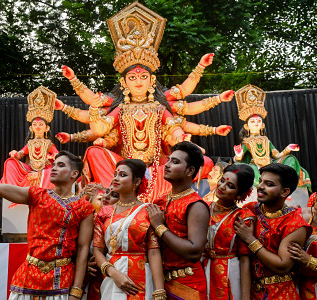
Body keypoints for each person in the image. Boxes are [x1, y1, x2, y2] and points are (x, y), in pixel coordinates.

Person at [57, 2, 234, 202]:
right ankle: (115, 194)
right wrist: (79, 89)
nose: (138, 82)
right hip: (124, 168)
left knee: (205, 162)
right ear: (124, 82)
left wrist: (182, 140)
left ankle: (148, 195)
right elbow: (102, 131)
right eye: (132, 78)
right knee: (94, 152)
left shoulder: (159, 107)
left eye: (143, 77)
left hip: (157, 169)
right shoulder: (120, 108)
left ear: (151, 81)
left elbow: (174, 129)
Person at [0, 130, 94, 300]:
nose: (54, 167)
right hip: (27, 277)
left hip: (61, 280)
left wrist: (76, 291)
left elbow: (83, 249)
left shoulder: (83, 207)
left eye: (61, 165)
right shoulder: (36, 195)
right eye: (54, 164)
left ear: (74, 174)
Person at [234, 163, 311, 300]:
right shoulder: (250, 209)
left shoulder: (295, 224)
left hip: (279, 293)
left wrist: (250, 240)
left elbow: (282, 265)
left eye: (269, 184)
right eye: (261, 181)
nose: (261, 187)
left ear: (284, 192)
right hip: (247, 289)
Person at [93, 159, 165, 300]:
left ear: (137, 182)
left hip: (141, 277)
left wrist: (159, 291)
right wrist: (114, 273)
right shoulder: (104, 212)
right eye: (115, 174)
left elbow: (154, 252)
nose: (116, 178)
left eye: (123, 175)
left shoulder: (148, 211)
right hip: (112, 276)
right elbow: (97, 250)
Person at [147, 141, 209, 299]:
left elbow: (194, 252)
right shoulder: (160, 202)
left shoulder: (196, 205)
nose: (167, 165)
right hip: (159, 282)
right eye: (168, 160)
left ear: (190, 171)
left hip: (188, 284)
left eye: (175, 162)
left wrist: (160, 228)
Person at [233, 84, 311, 190]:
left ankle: (285, 187)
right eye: (252, 121)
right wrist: (238, 155)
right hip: (256, 166)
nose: (256, 123)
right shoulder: (246, 142)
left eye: (259, 121)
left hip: (271, 164)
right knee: (249, 169)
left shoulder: (266, 140)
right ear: (246, 126)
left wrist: (288, 149)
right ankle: (263, 188)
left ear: (263, 125)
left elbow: (277, 155)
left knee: (290, 159)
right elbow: (238, 160)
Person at [203, 164, 255, 300]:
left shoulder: (242, 216)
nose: (222, 187)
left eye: (230, 186)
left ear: (240, 194)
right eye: (222, 180)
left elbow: (245, 260)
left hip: (230, 274)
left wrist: (245, 297)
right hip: (202, 270)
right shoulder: (203, 206)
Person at [0, 86, 59, 199]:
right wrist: (15, 154)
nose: (37, 127)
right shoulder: (30, 143)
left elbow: (59, 157)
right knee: (10, 163)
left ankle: (41, 186)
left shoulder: (49, 144)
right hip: (30, 169)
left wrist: (52, 156)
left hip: (45, 171)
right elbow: (20, 154)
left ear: (46, 128)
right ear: (31, 128)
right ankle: (12, 193)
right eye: (35, 125)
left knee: (52, 171)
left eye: (41, 125)